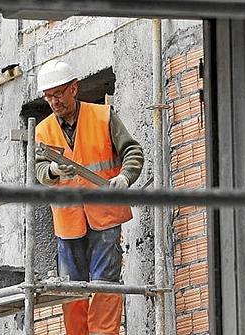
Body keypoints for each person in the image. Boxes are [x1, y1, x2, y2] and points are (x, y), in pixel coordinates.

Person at [34, 59, 144, 335]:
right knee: (72, 292)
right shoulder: (43, 130)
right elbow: (37, 169)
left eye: (58, 94)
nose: (54, 101)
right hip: (68, 223)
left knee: (105, 286)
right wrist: (51, 170)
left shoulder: (103, 116)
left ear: (74, 88)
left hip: (104, 218)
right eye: (48, 97)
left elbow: (132, 151)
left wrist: (125, 177)